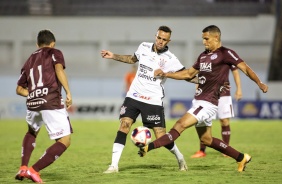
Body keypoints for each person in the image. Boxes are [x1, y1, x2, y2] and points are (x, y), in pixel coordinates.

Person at [138, 25, 268, 172]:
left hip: (208, 103)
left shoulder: (226, 53)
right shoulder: (203, 56)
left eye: (206, 39)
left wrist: (259, 83)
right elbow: (188, 74)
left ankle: (148, 147)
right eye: (203, 39)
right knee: (206, 140)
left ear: (216, 37)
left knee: (179, 125)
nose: (204, 42)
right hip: (199, 101)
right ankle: (241, 157)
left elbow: (245, 68)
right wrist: (166, 74)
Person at [100, 25, 196, 173]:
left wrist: (203, 81)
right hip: (134, 95)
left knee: (160, 136)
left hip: (153, 100)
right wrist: (113, 56)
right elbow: (132, 59)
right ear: (155, 36)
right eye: (159, 38)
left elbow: (186, 75)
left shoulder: (170, 59)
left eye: (164, 39)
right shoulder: (144, 47)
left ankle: (180, 158)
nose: (160, 41)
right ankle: (113, 165)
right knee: (124, 125)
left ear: (168, 41)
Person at [15, 29, 73, 183]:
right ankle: (34, 170)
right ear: (52, 43)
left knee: (32, 132)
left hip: (33, 102)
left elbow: (19, 89)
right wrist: (68, 92)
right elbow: (59, 69)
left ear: (37, 44)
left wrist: (35, 93)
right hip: (51, 100)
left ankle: (23, 167)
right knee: (64, 140)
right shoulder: (55, 52)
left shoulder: (29, 60)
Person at [191, 66, 242, 158]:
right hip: (207, 94)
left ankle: (226, 150)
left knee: (224, 121)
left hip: (224, 93)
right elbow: (200, 75)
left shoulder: (226, 55)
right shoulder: (204, 57)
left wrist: (239, 89)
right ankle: (202, 151)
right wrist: (197, 90)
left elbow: (235, 71)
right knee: (203, 120)